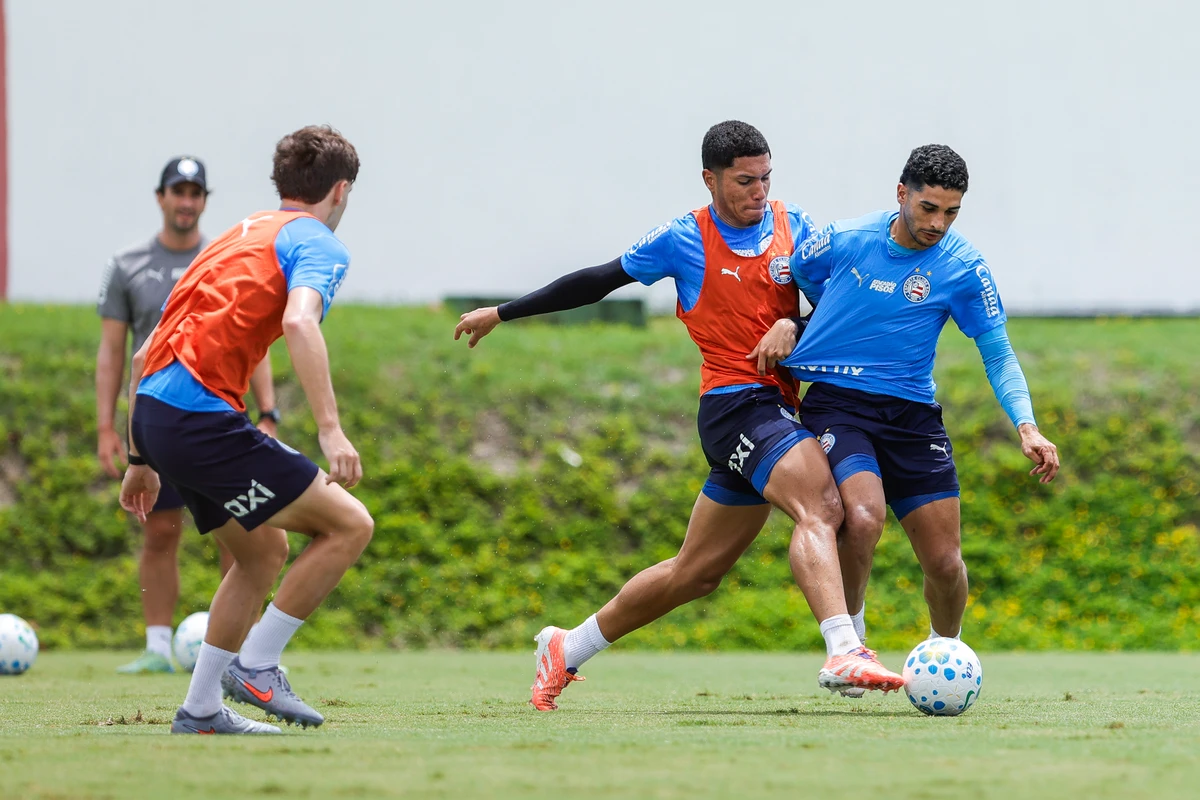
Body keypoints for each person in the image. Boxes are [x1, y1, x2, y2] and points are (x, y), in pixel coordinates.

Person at [455, 120, 905, 712]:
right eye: (744, 181)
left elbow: (839, 300)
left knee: (695, 574)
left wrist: (792, 321)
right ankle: (845, 648)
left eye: (766, 177)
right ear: (709, 179)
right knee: (820, 503)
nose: (759, 192)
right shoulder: (684, 238)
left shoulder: (797, 227)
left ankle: (567, 647)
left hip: (776, 405)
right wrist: (504, 312)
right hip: (734, 404)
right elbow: (597, 281)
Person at [119, 125, 374, 735]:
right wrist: (331, 431)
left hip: (157, 412)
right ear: (340, 191)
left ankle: (201, 710)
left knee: (261, 552)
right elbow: (301, 323)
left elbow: (141, 355)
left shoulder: (236, 234)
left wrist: (139, 454)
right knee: (348, 525)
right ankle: (258, 664)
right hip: (200, 419)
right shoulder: (317, 244)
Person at [781, 144, 1061, 671]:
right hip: (839, 405)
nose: (939, 223)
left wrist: (1027, 427)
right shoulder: (845, 240)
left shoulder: (963, 268)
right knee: (861, 519)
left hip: (911, 416)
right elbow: (797, 279)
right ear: (901, 193)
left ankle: (944, 656)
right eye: (929, 208)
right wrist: (793, 324)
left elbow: (997, 352)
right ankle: (852, 642)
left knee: (945, 563)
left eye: (952, 211)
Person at [96, 157, 282, 674]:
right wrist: (108, 427)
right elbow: (115, 353)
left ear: (204, 200)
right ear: (161, 198)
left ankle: (237, 653)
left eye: (195, 193)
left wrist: (269, 411)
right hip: (158, 416)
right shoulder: (128, 263)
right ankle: (158, 648)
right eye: (177, 191)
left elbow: (257, 342)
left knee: (240, 534)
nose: (186, 201)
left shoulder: (223, 258)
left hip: (221, 416)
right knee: (160, 532)